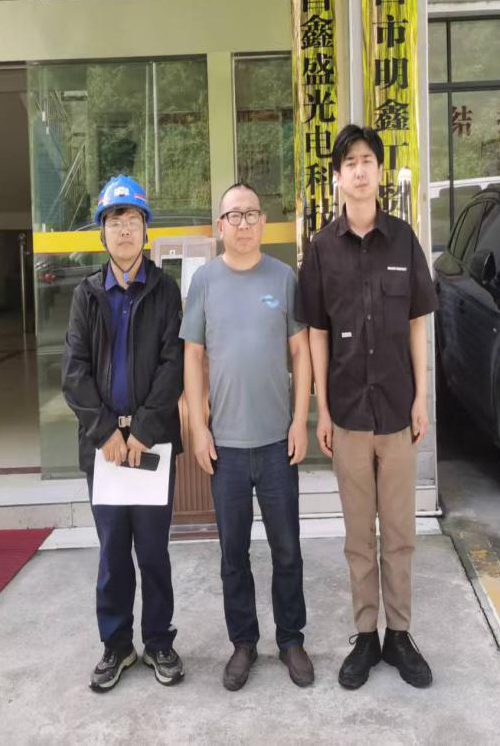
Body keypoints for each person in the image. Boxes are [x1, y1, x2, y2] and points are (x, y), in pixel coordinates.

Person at [297, 125, 438, 690]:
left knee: (399, 532)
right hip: (349, 416)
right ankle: (365, 635)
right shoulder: (321, 249)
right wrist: (323, 410)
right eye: (349, 162)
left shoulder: (403, 239)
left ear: (380, 172)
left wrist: (422, 397)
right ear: (337, 177)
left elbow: (417, 323)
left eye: (367, 161)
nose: (359, 170)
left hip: (399, 412)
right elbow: (316, 333)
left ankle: (399, 634)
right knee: (359, 536)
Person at [181, 182, 315, 691]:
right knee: (232, 555)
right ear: (220, 226)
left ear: (263, 222)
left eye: (251, 214)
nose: (243, 223)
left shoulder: (283, 278)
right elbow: (193, 356)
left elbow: (301, 352)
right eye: (233, 215)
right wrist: (198, 428)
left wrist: (299, 420)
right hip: (227, 448)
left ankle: (291, 639)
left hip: (277, 443)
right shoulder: (205, 282)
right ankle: (243, 642)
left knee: (287, 549)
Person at [62, 174, 186, 693]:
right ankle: (117, 645)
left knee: (153, 551)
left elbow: (173, 364)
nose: (125, 229)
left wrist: (145, 430)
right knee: (113, 551)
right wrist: (105, 433)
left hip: (151, 445)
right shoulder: (86, 295)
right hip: (105, 450)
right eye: (115, 220)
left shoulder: (165, 290)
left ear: (145, 229)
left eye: (133, 219)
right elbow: (74, 373)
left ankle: (158, 640)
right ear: (102, 232)